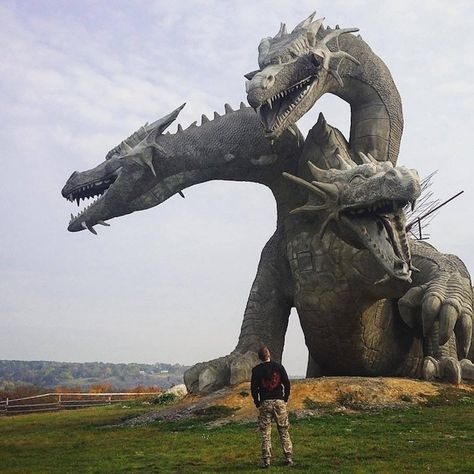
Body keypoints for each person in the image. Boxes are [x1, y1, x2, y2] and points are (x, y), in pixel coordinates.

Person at [251, 346, 293, 468]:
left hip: (265, 402)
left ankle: (266, 460)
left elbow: (253, 388)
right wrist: (285, 398)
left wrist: (257, 402)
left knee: (265, 432)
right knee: (284, 430)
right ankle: (289, 457)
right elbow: (287, 383)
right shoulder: (278, 367)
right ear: (269, 354)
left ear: (259, 357)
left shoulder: (256, 370)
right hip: (279, 401)